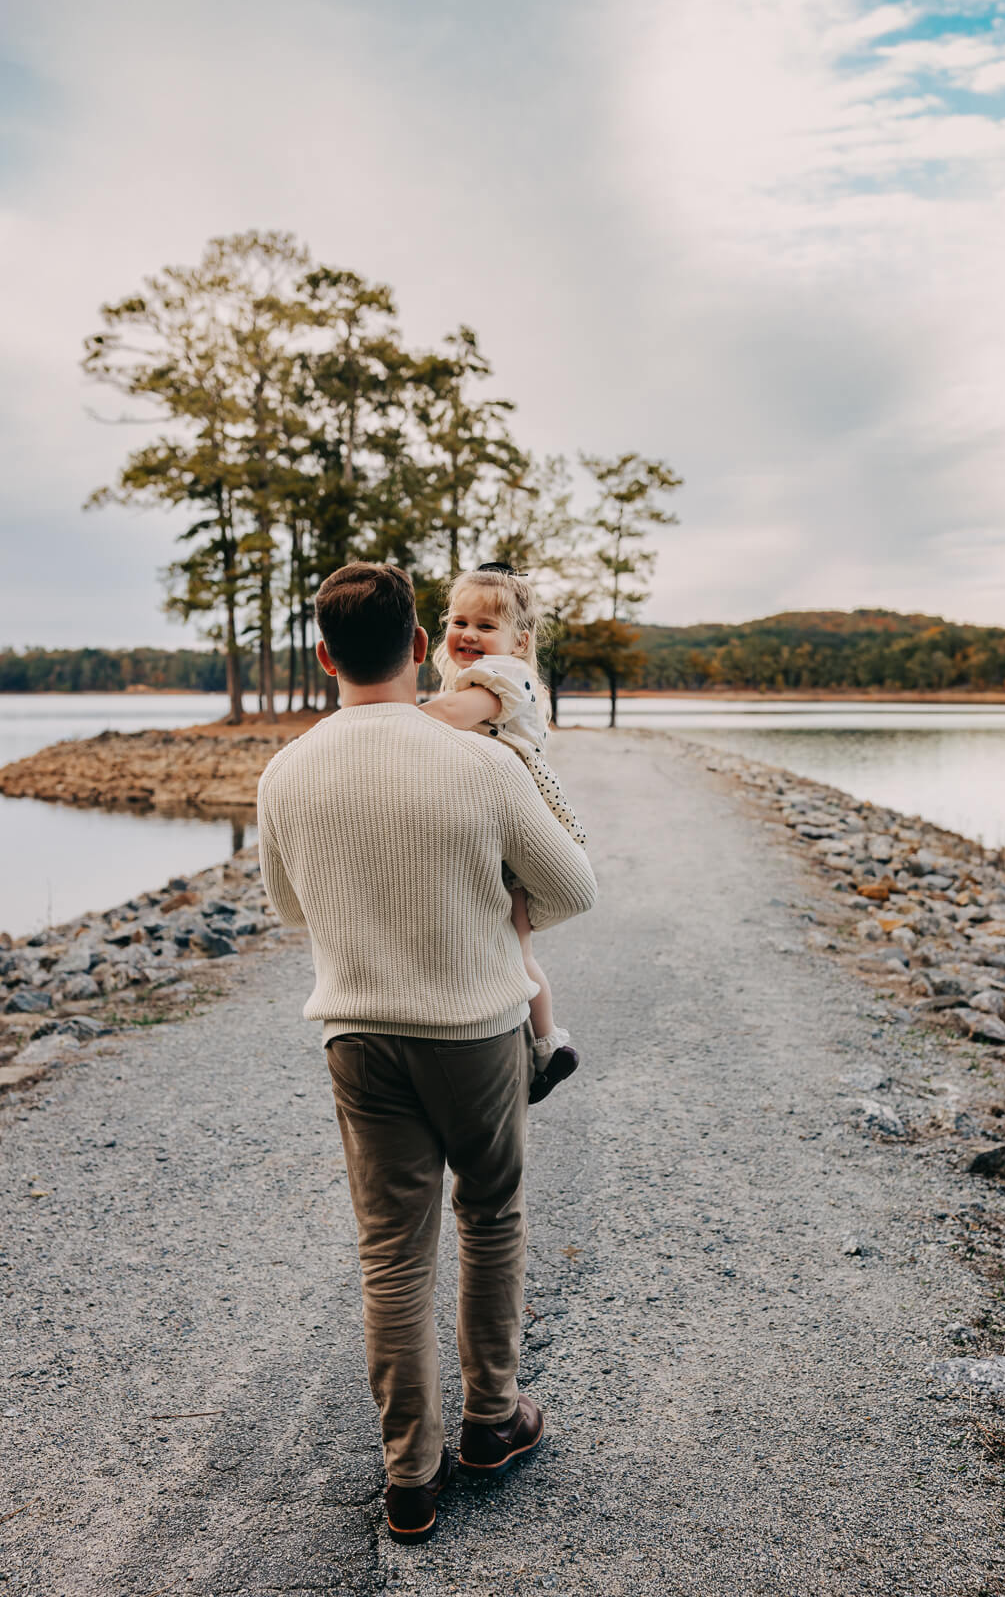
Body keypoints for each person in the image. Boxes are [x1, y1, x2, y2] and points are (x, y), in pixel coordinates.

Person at [256, 561, 597, 1545]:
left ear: (323, 656)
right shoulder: (484, 765)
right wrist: (489, 905)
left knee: (390, 1252)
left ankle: (409, 1474)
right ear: (418, 648)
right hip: (476, 1029)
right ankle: (490, 1423)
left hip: (357, 1035)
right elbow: (572, 887)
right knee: (489, 1216)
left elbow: (291, 908)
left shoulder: (286, 770)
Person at [419, 563, 585, 1103]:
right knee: (511, 941)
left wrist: (381, 716)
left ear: (520, 641)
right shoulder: (473, 673)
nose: (469, 634)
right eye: (460, 620)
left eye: (486, 626)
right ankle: (543, 1043)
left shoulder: (504, 678)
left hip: (519, 819)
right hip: (499, 817)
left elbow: (446, 714)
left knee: (515, 945)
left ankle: (544, 1043)